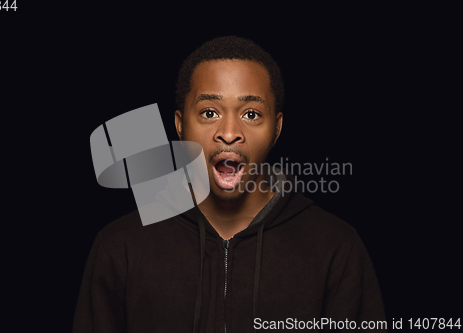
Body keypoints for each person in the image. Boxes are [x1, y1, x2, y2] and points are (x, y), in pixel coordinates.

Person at [73, 36, 386, 332]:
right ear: (181, 125)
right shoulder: (120, 246)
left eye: (251, 114)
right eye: (209, 112)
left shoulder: (336, 248)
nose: (229, 131)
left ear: (276, 128)